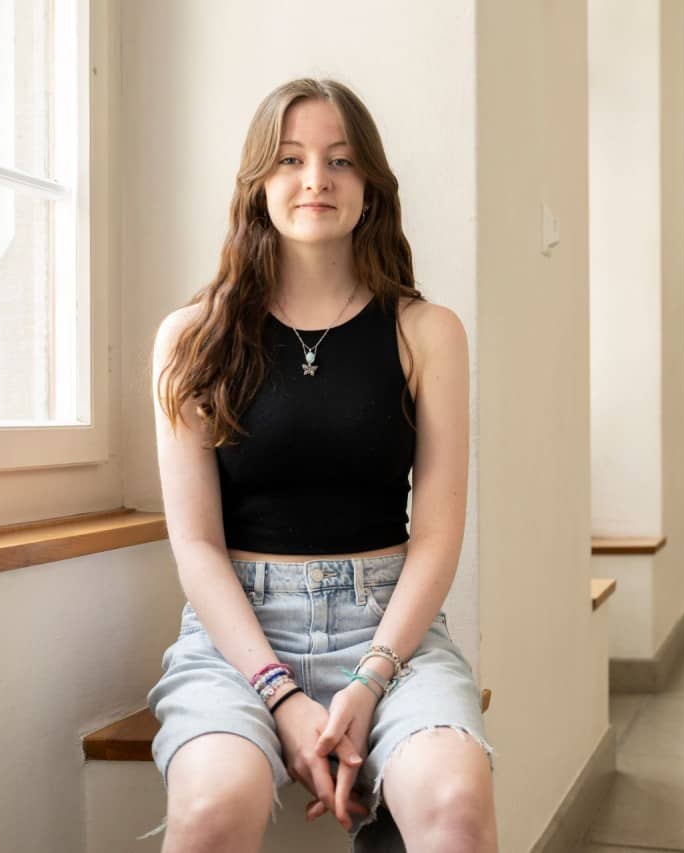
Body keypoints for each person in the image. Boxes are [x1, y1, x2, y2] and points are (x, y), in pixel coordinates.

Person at [141, 78, 497, 853]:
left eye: (340, 160)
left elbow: (436, 537)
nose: (315, 180)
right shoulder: (190, 338)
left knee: (456, 806)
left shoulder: (427, 332)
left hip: (388, 631)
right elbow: (196, 545)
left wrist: (370, 679)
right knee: (210, 811)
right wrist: (277, 690)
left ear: (369, 186)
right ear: (257, 183)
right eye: (291, 160)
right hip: (237, 636)